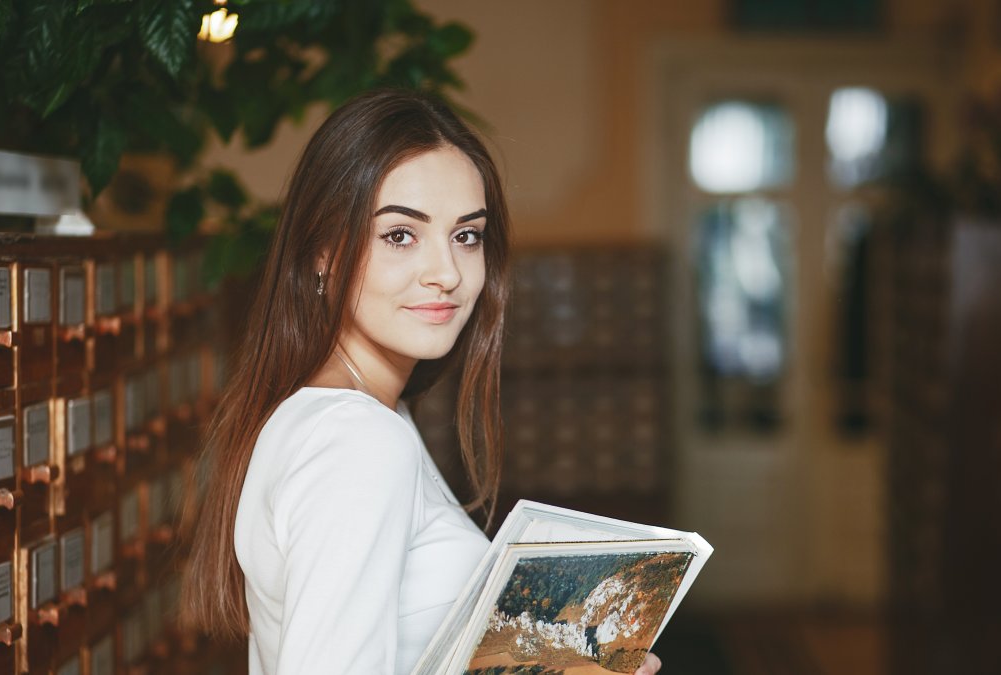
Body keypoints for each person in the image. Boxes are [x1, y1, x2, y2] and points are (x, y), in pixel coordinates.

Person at [181, 89, 662, 675]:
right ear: (322, 255)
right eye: (400, 235)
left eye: (467, 236)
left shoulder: (350, 415)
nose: (447, 273)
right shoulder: (355, 438)